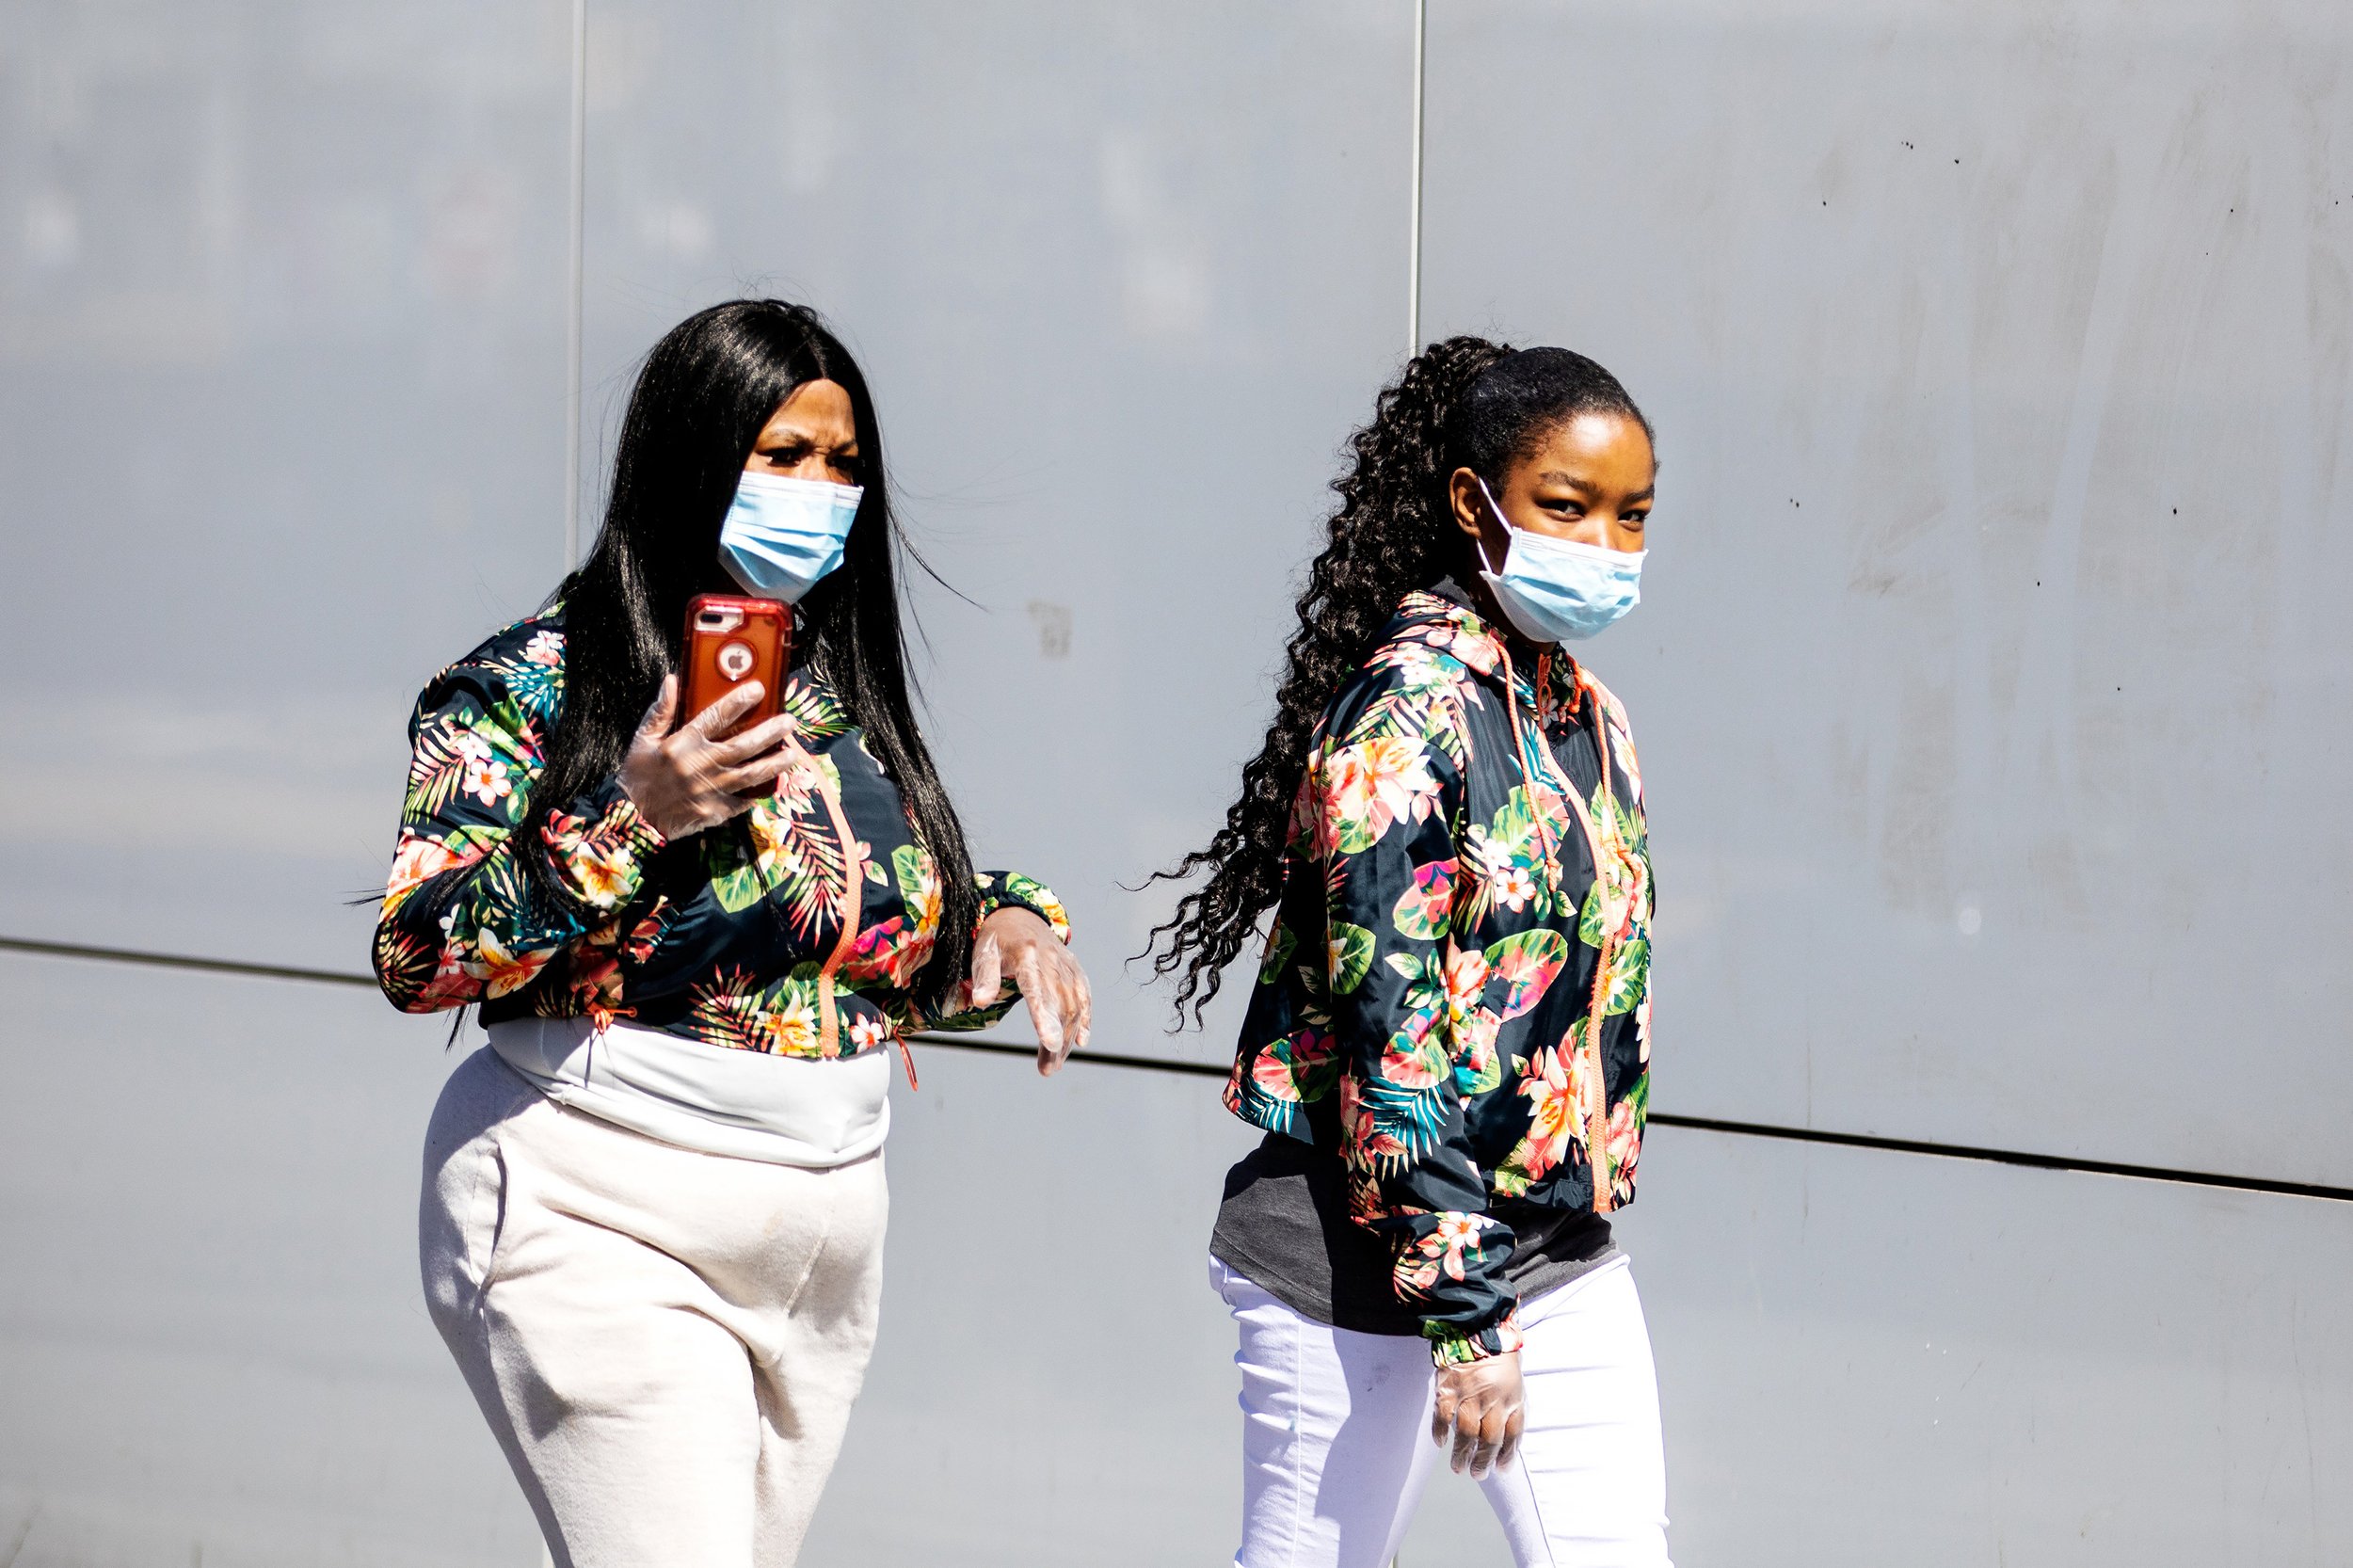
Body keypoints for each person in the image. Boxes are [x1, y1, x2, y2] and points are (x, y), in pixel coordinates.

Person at [372, 299, 1091, 1568]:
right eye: (783, 455)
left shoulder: (830, 698)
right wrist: (630, 817)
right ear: (692, 459)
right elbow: (418, 951)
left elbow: (867, 945)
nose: (821, 491)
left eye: (844, 464)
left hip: (819, 1243)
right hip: (596, 1207)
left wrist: (1013, 925)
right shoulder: (531, 681)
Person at [1148, 338, 1670, 1567]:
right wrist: (1468, 1310)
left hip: (1554, 1246)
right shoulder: (1405, 715)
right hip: (1351, 1257)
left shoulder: (1586, 714)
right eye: (1566, 506)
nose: (1602, 543)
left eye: (1631, 514)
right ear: (1469, 502)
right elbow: (1397, 1032)